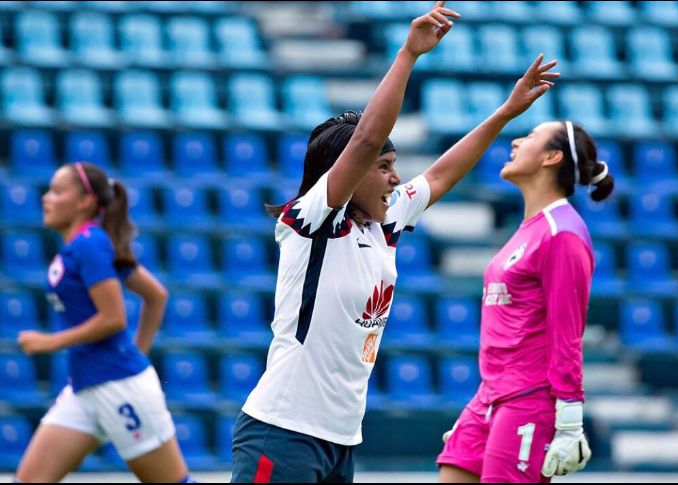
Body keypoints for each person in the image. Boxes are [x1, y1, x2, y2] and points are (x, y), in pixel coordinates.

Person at [230, 1, 560, 482]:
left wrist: (506, 113)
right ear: (349, 172)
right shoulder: (312, 220)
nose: (396, 178)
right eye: (384, 167)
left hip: (340, 440)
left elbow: (442, 175)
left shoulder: (381, 223)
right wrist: (408, 54)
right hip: (283, 431)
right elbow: (366, 139)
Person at [436, 120, 615, 483]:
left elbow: (568, 334)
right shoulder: (529, 228)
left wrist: (569, 422)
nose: (516, 142)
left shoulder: (562, 233)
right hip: (489, 398)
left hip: (529, 401)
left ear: (552, 157)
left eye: (531, 136)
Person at [14, 162, 194, 483]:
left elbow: (113, 318)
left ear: (84, 201)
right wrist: (137, 353)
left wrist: (50, 342)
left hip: (118, 387)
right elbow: (156, 295)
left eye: (57, 191)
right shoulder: (87, 245)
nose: (46, 197)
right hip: (84, 387)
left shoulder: (90, 243)